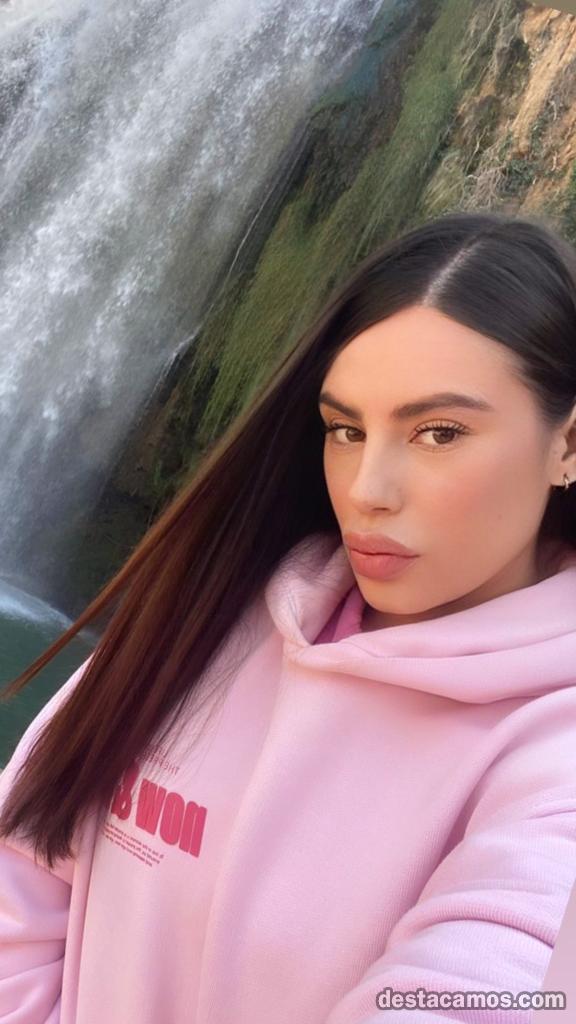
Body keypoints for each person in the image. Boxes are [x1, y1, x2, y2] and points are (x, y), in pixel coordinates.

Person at [1, 209, 576, 1024]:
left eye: (439, 433)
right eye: (346, 429)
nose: (367, 490)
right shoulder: (213, 607)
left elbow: (501, 973)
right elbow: (25, 855)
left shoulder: (554, 755)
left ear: (568, 445)